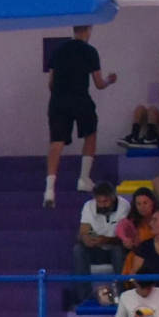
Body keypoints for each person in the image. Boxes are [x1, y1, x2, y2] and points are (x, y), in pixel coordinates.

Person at [45, 26, 117, 208]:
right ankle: (84, 178)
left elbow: (51, 82)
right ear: (88, 30)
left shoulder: (58, 49)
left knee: (57, 142)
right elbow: (99, 83)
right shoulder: (89, 51)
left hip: (58, 100)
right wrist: (110, 80)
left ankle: (49, 190)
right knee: (90, 133)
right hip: (80, 98)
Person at [74, 181, 130, 308]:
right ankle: (84, 298)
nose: (102, 205)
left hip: (115, 247)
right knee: (78, 249)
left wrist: (106, 240)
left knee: (118, 250)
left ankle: (122, 297)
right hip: (96, 249)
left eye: (105, 201)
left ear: (113, 198)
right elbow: (84, 230)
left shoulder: (124, 206)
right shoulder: (89, 206)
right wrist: (87, 238)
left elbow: (123, 237)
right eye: (99, 202)